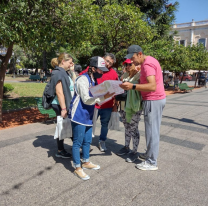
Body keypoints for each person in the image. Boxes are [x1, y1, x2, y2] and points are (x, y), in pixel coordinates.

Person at [120, 45, 166, 171]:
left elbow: (152, 86)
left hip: (153, 99)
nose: (132, 61)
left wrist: (133, 86)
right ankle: (149, 154)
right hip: (154, 99)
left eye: (133, 58)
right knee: (151, 130)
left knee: (152, 132)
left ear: (140, 54)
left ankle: (151, 161)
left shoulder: (147, 65)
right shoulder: (150, 60)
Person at [69, 56, 114, 180]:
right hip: (79, 115)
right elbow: (87, 99)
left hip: (88, 115)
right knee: (77, 142)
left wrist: (109, 95)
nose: (102, 72)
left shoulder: (93, 80)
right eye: (100, 70)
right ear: (93, 68)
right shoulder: (83, 79)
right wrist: (104, 97)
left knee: (87, 140)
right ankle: (78, 168)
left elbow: (95, 99)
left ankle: (86, 161)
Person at [79, 53, 118, 152]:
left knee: (104, 124)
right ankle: (85, 142)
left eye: (110, 63)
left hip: (107, 104)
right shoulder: (93, 68)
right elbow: (81, 77)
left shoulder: (113, 74)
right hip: (93, 103)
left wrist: (115, 105)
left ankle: (102, 141)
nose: (108, 64)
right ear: (103, 58)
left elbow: (116, 88)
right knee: (89, 123)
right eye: (107, 61)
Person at [116, 60, 142, 163]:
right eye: (126, 64)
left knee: (134, 128)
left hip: (133, 106)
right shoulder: (125, 75)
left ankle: (134, 151)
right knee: (127, 127)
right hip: (123, 105)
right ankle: (126, 147)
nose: (127, 66)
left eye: (130, 64)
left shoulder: (139, 75)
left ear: (135, 64)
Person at [50, 53, 74, 158]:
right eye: (70, 62)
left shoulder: (63, 72)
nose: (71, 64)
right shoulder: (58, 73)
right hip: (60, 104)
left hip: (63, 104)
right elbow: (59, 92)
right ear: (63, 61)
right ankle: (60, 150)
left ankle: (75, 146)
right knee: (62, 126)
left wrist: (72, 71)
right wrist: (63, 108)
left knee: (65, 125)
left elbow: (72, 85)